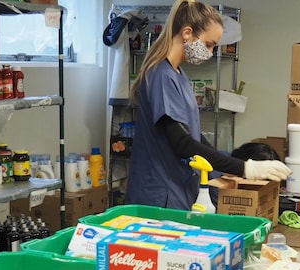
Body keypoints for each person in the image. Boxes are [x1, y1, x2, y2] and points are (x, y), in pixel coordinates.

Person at [125, 0, 291, 210]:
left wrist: (226, 164)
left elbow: (194, 136)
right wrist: (246, 168)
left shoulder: (179, 75)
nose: (211, 52)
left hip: (179, 188)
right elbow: (182, 144)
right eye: (209, 44)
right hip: (159, 194)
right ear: (187, 33)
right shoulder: (160, 76)